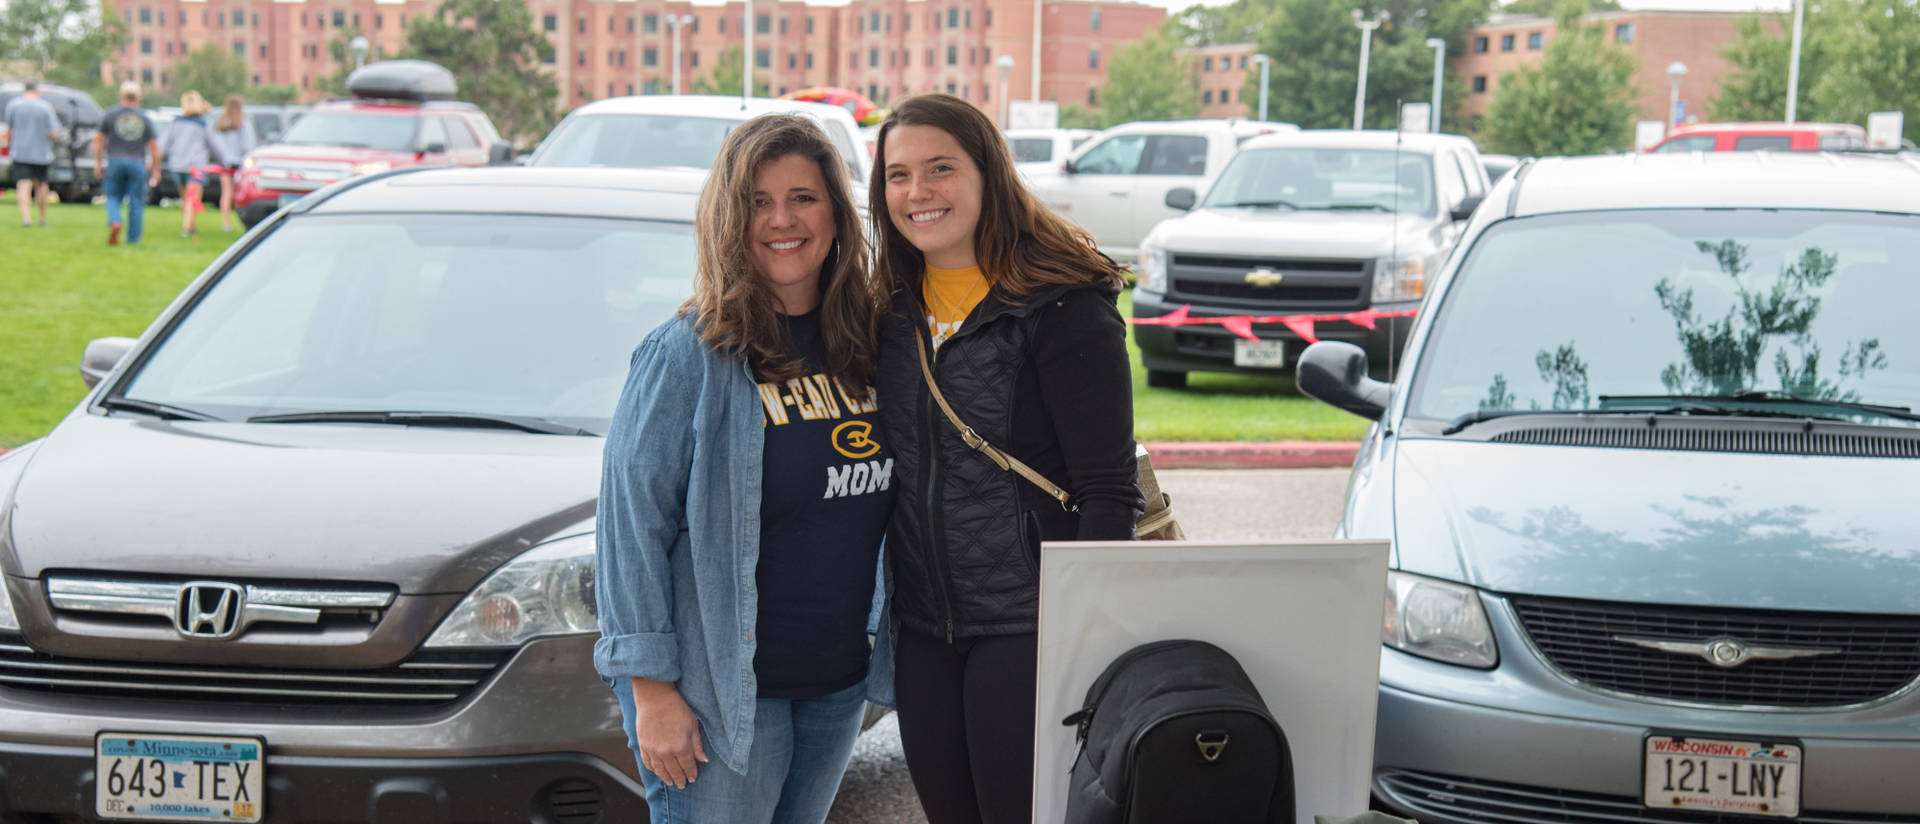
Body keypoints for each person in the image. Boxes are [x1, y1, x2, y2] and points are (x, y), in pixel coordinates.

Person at [594, 113, 895, 824]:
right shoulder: (687, 355)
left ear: (836, 214)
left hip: (835, 687)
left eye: (803, 197)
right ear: (731, 217)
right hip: (720, 696)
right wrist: (650, 691)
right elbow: (630, 528)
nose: (782, 220)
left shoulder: (870, 348)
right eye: (759, 202)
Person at [867, 93, 1143, 824]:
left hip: (1030, 625)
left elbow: (1110, 492)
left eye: (939, 169)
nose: (917, 193)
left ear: (988, 173)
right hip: (926, 627)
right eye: (897, 175)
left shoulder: (1063, 305)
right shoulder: (883, 307)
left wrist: (1084, 633)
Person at [156, 91, 233, 238]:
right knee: (192, 198)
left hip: (177, 165)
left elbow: (163, 144)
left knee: (185, 197)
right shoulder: (203, 124)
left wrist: (156, 159)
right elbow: (214, 145)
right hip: (196, 167)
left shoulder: (176, 122)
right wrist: (224, 162)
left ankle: (189, 225)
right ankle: (187, 227)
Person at [93, 82, 161, 246]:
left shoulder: (110, 115)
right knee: (137, 201)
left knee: (113, 197)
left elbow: (99, 140)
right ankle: (133, 239)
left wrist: (98, 162)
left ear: (121, 96)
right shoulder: (144, 117)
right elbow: (153, 146)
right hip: (138, 162)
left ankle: (115, 220)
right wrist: (156, 168)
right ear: (138, 97)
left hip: (115, 160)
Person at [2, 81, 61, 228]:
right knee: (41, 185)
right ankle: (41, 218)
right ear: (37, 90)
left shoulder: (13, 105)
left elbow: (8, 131)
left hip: (20, 152)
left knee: (23, 184)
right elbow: (54, 132)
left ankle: (26, 219)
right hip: (42, 154)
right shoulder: (46, 107)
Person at [210, 94, 255, 233]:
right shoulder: (243, 123)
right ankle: (242, 219)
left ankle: (226, 223)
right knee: (240, 191)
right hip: (240, 163)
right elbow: (249, 144)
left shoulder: (221, 123)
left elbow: (216, 144)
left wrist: (224, 158)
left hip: (225, 163)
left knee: (226, 193)